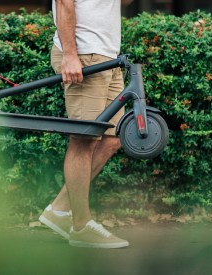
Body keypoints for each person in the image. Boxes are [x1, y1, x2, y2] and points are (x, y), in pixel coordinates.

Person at [39, 0, 134, 248]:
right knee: (84, 140)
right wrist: (70, 55)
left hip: (107, 55)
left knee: (113, 137)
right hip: (84, 53)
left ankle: (59, 210)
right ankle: (81, 227)